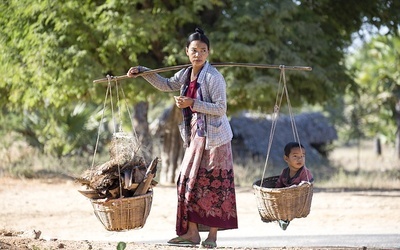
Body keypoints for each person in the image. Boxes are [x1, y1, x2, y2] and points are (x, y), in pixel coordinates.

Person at [127, 28, 238, 249]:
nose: (198, 54)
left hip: (216, 139)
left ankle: (212, 238)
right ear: (187, 51)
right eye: (194, 50)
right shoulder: (186, 74)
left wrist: (192, 103)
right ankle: (192, 234)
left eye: (203, 50)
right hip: (196, 137)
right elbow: (166, 84)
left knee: (214, 185)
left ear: (208, 53)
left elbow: (221, 109)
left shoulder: (214, 77)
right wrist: (144, 71)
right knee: (186, 183)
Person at [275, 141, 314, 230]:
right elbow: (278, 185)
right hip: (285, 200)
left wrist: (298, 187)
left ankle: (285, 219)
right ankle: (282, 219)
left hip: (298, 200)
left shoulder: (304, 172)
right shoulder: (285, 172)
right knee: (279, 206)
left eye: (302, 156)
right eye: (295, 156)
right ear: (286, 158)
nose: (299, 159)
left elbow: (306, 184)